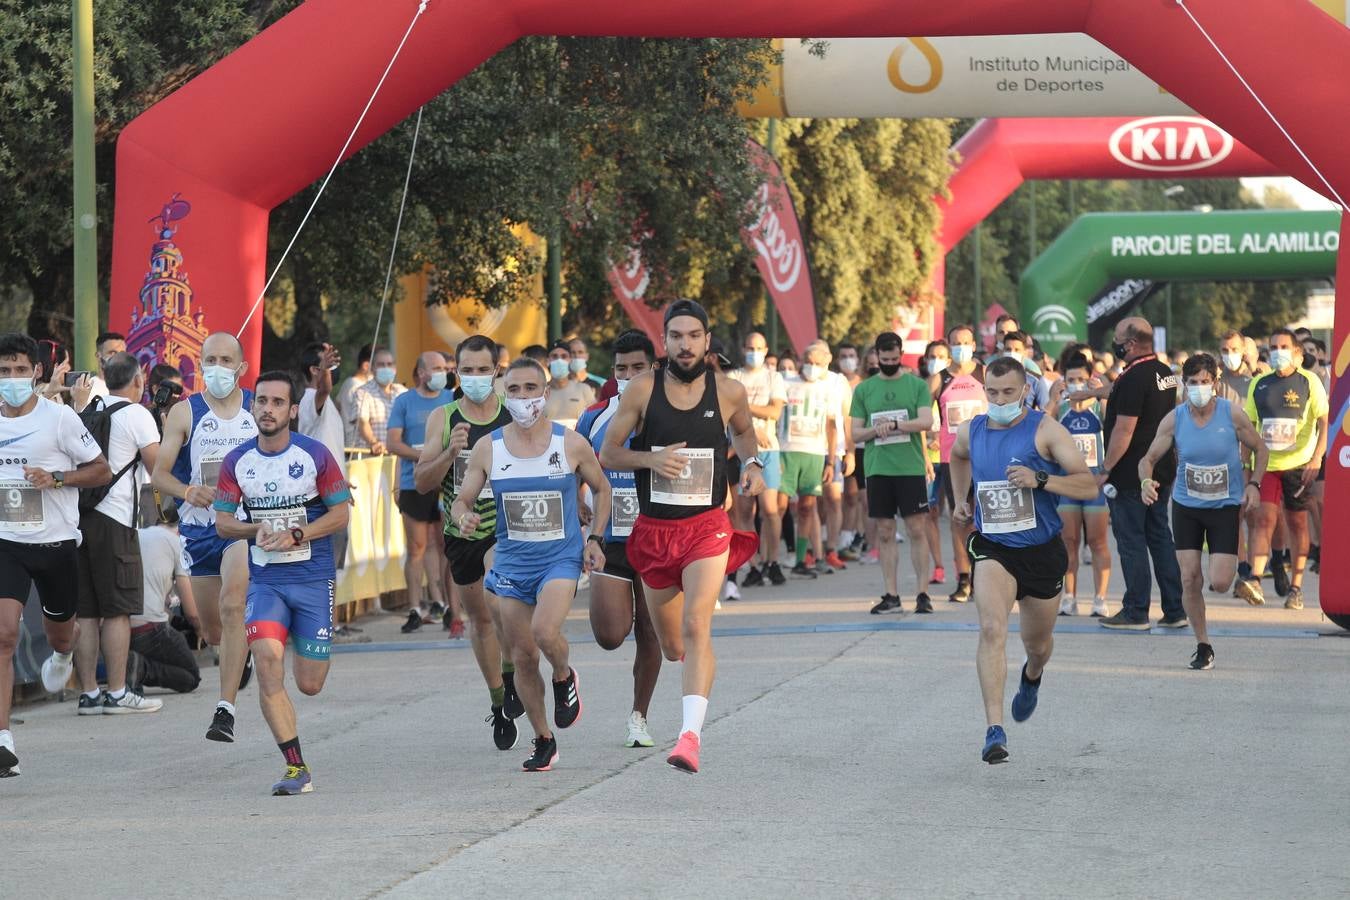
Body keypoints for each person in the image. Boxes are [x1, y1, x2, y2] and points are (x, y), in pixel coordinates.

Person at [599, 299, 763, 774]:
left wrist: (751, 464)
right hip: (654, 530)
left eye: (694, 336)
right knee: (675, 646)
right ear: (665, 342)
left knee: (697, 624)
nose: (685, 344)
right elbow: (609, 452)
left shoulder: (729, 391)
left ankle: (689, 736)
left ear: (707, 341)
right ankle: (693, 673)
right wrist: (650, 460)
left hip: (707, 526)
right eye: (676, 337)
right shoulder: (642, 391)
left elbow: (745, 433)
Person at [450, 358, 609, 773]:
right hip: (511, 561)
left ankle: (562, 674)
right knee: (521, 656)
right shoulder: (489, 447)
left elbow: (602, 488)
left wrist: (595, 539)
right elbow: (462, 497)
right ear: (505, 393)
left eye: (531, 389)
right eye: (515, 389)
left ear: (545, 393)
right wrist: (461, 514)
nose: (523, 398)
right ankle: (543, 739)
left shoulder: (569, 443)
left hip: (559, 558)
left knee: (543, 631)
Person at [949, 356, 1100, 764]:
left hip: (1041, 551)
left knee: (1037, 644)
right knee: (991, 627)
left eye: (1008, 393)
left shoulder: (1046, 430)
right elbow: (957, 457)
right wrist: (961, 498)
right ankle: (994, 731)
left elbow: (1087, 484)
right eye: (992, 392)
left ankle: (1032, 675)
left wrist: (1042, 479)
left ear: (1025, 391)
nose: (999, 400)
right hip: (994, 546)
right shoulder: (973, 430)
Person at [213, 371, 350, 795]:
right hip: (267, 582)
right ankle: (296, 767)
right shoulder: (237, 461)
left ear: (293, 411)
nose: (267, 409)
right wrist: (253, 530)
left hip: (312, 579)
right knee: (269, 660)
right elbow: (222, 523)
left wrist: (297, 534)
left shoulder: (315, 455)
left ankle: (294, 640)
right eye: (262, 402)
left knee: (309, 683)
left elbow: (341, 514)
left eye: (277, 403)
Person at [0, 333, 113, 776]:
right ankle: (3, 738)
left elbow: (101, 469)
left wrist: (58, 478)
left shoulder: (60, 419)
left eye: (20, 371)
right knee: (4, 634)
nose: (11, 379)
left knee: (60, 635)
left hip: (55, 541)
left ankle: (64, 656)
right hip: (6, 542)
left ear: (37, 373)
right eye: (4, 372)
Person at [414, 334, 522, 751]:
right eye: (468, 370)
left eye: (483, 370)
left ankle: (512, 680)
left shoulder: (512, 416)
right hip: (462, 532)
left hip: (505, 527)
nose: (476, 377)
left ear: (496, 372)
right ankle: (498, 700)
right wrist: (449, 452)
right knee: (481, 621)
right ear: (457, 372)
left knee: (502, 607)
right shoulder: (444, 418)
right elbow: (424, 482)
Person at [153, 331, 256, 741]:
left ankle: (224, 710)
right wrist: (186, 491)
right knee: (214, 632)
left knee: (235, 607)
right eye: (209, 360)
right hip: (199, 530)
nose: (217, 368)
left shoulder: (257, 409)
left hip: (243, 527)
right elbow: (159, 473)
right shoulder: (185, 412)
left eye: (225, 360)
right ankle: (238, 656)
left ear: (241, 368)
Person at [1138, 353, 1268, 670]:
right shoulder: (1175, 419)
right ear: (1185, 385)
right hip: (1187, 506)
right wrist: (1145, 481)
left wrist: (1254, 485)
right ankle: (1203, 645)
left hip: (1224, 506)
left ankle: (1234, 579)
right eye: (1193, 383)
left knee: (1221, 582)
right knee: (1189, 577)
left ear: (1215, 383)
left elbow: (1261, 449)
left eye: (1205, 382)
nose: (1199, 388)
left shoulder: (1232, 414)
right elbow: (1148, 458)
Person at [577, 331, 664, 748]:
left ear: (654, 368)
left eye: (637, 368)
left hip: (658, 539)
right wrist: (579, 501)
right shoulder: (594, 418)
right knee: (611, 636)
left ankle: (638, 717)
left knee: (651, 631)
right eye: (621, 370)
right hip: (610, 539)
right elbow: (576, 467)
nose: (628, 376)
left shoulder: (670, 414)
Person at [73, 353, 164, 715]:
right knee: (117, 611)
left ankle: (90, 694)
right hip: (116, 522)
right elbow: (158, 467)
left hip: (79, 519)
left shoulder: (87, 410)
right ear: (139, 380)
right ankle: (117, 691)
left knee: (86, 611)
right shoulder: (137, 414)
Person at [1097, 317, 1187, 631]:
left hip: (1132, 472)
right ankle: (1175, 609)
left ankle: (1136, 610)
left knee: (1131, 539)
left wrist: (1105, 468)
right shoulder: (1165, 372)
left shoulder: (1135, 377)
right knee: (1160, 537)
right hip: (1161, 466)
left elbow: (1125, 429)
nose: (1116, 342)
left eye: (1119, 337)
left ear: (1131, 343)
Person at [1233, 329, 1328, 610]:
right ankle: (1256, 579)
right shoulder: (1259, 384)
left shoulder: (1310, 382)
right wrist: (1246, 469)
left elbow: (1324, 422)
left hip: (1299, 464)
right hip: (1267, 465)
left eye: (1284, 346)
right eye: (1273, 346)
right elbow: (1248, 429)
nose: (1278, 351)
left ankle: (1296, 588)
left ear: (1297, 353)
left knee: (1297, 523)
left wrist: (1317, 458)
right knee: (1263, 519)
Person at [851, 331, 934, 614]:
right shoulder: (864, 390)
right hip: (878, 468)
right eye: (884, 359)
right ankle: (891, 594)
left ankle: (923, 593)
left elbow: (926, 421)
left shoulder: (917, 385)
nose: (889, 363)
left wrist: (897, 425)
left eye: (894, 359)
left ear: (901, 356)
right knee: (885, 531)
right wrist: (877, 430)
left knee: (916, 529)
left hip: (909, 467)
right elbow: (855, 433)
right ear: (876, 356)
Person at [388, 351, 454, 632]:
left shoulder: (452, 399)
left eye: (444, 367)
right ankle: (415, 607)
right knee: (416, 547)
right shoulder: (404, 401)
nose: (442, 372)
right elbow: (393, 443)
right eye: (436, 368)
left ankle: (450, 606)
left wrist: (440, 461)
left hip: (446, 483)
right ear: (421, 372)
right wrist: (426, 459)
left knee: (444, 545)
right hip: (413, 482)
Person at [932, 324, 986, 603]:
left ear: (974, 344)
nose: (961, 347)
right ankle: (963, 578)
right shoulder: (939, 378)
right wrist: (927, 439)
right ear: (949, 345)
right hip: (953, 460)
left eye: (965, 342)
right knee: (959, 518)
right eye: (956, 342)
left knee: (985, 520)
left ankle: (984, 575)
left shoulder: (984, 373)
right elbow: (922, 412)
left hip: (985, 458)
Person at [778, 341, 843, 578]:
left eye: (817, 364)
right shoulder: (785, 383)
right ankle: (771, 560)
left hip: (814, 454)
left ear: (826, 364)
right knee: (778, 508)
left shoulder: (827, 389)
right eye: (808, 363)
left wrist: (830, 461)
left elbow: (832, 426)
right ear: (801, 363)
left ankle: (800, 561)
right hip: (786, 452)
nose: (812, 368)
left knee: (807, 508)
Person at [1054, 355, 1112, 618]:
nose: (1076, 385)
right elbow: (1041, 429)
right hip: (1067, 485)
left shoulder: (1098, 408)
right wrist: (1053, 399)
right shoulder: (1061, 409)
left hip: (1094, 485)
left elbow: (1116, 428)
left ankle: (1100, 598)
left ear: (1089, 380)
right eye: (1070, 380)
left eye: (1081, 380)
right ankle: (1070, 597)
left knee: (1097, 542)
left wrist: (1101, 395)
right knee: (1068, 542)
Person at [728, 332, 787, 588]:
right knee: (744, 510)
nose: (754, 351)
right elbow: (729, 412)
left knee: (770, 509)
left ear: (766, 350)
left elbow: (775, 410)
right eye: (750, 347)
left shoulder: (774, 377)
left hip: (769, 449)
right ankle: (751, 564)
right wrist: (751, 429)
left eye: (759, 347)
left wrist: (744, 408)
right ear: (743, 349)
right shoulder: (734, 377)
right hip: (742, 449)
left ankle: (772, 561)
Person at [131, 501, 202, 694]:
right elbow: (193, 613)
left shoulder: (136, 535)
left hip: (119, 631)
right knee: (191, 677)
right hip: (150, 630)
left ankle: (129, 663)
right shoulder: (176, 543)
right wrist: (203, 632)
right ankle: (140, 668)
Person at [298, 342, 348, 569]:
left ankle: (328, 606)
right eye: (327, 364)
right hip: (321, 498)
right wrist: (326, 371)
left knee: (330, 566)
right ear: (314, 370)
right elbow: (324, 389)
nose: (334, 368)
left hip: (333, 492)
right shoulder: (311, 399)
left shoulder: (326, 403)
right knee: (324, 565)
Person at [835, 342, 866, 559]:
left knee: (856, 496)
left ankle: (853, 534)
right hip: (839, 445)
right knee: (840, 496)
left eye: (851, 355)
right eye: (844, 355)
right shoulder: (834, 383)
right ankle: (840, 537)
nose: (848, 359)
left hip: (862, 445)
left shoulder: (863, 384)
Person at [354, 348, 405, 455]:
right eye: (381, 365)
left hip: (398, 458)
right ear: (372, 368)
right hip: (373, 459)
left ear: (395, 368)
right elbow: (362, 423)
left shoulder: (403, 392)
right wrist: (375, 442)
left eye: (389, 364)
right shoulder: (363, 392)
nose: (386, 368)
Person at [543, 340, 595, 429]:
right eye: (554, 356)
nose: (559, 360)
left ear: (570, 360)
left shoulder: (584, 390)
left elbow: (594, 421)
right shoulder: (540, 392)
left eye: (564, 356)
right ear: (547, 361)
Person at [335, 343, 373, 450]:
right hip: (359, 446)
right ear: (366, 366)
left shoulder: (348, 383)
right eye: (378, 365)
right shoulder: (357, 387)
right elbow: (361, 420)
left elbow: (337, 406)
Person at [147, 364, 184, 435]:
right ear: (155, 389)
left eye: (178, 391)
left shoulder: (182, 416)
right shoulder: (145, 416)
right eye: (172, 389)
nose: (176, 396)